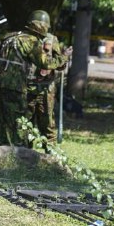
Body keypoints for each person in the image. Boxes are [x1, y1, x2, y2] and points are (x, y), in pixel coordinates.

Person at [0, 9, 70, 148]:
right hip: (15, 85)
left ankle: (1, 150)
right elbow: (45, 63)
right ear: (43, 27)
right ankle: (21, 152)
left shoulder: (9, 37)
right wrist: (64, 57)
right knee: (19, 121)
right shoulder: (31, 41)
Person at [25, 12, 71, 146]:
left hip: (45, 88)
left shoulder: (51, 39)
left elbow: (59, 63)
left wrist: (63, 58)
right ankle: (25, 152)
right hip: (27, 86)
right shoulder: (25, 39)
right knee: (26, 122)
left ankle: (51, 152)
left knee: (47, 123)